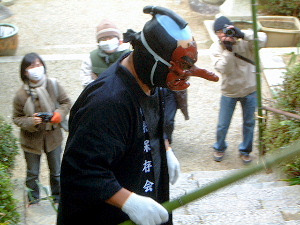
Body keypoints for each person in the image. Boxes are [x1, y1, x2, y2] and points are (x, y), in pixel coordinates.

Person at [57, 6, 218, 225]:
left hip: (147, 190)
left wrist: (166, 148)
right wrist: (128, 201)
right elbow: (80, 170)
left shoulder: (153, 81)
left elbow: (153, 123)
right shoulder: (108, 102)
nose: (182, 74)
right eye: (178, 66)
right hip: (110, 216)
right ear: (151, 59)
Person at [12, 52, 72, 205]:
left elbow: (66, 102)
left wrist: (58, 114)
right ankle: (33, 200)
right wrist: (31, 121)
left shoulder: (53, 85)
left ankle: (58, 198)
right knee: (32, 173)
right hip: (31, 141)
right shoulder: (20, 95)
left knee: (57, 172)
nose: (36, 69)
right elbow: (16, 118)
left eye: (38, 65)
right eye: (31, 66)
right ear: (25, 71)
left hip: (53, 137)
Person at [209, 16, 267, 164]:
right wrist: (228, 51)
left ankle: (245, 150)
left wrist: (242, 34)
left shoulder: (246, 41)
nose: (223, 35)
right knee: (223, 123)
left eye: (225, 31)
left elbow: (263, 39)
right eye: (219, 32)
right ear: (216, 34)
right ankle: (219, 147)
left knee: (249, 123)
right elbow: (223, 69)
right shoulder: (215, 48)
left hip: (250, 89)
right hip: (229, 91)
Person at [80, 19, 131, 88]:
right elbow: (86, 83)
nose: (107, 41)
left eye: (111, 37)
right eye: (103, 39)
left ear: (118, 40)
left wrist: (98, 81)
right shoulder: (90, 58)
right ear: (99, 42)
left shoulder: (129, 56)